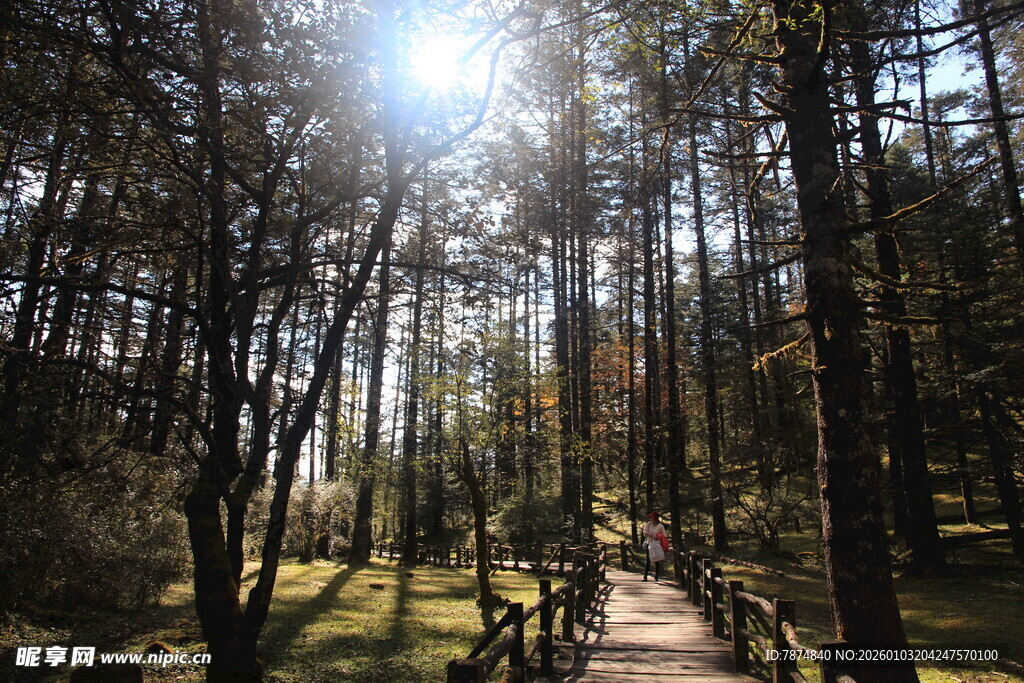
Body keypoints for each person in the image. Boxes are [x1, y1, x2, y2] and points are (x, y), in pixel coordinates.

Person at [642, 511, 667, 581]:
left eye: (652, 517)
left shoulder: (660, 526)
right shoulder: (649, 524)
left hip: (656, 544)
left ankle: (656, 576)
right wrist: (650, 535)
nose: (651, 518)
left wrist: (658, 536)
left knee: (657, 560)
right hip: (649, 543)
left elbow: (664, 535)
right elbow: (645, 532)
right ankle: (645, 576)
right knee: (647, 560)